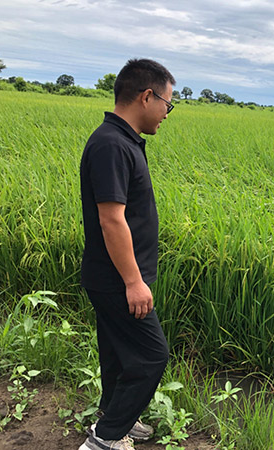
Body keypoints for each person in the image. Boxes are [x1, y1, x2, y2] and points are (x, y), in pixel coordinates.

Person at [79, 58, 176, 450]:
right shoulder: (111, 145)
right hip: (118, 279)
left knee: (117, 353)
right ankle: (105, 439)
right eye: (168, 104)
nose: (168, 114)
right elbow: (111, 220)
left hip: (114, 276)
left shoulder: (121, 140)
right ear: (146, 96)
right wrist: (134, 282)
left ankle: (116, 415)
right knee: (153, 356)